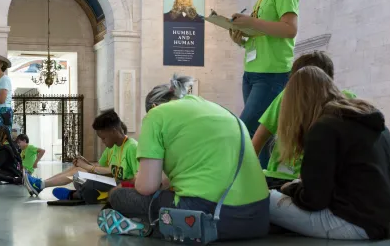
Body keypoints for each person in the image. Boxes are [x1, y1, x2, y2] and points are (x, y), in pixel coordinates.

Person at [100, 75, 269, 240]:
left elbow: (146, 187)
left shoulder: (155, 115)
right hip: (258, 217)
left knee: (117, 195)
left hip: (208, 216)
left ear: (153, 106)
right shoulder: (220, 109)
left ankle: (152, 226)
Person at [270, 67, 390, 240]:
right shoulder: (365, 119)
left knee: (264, 201)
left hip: (358, 224)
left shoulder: (323, 128)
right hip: (389, 222)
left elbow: (313, 201)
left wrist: (290, 189)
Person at [230, 0, 299, 168]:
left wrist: (252, 21)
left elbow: (290, 29)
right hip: (252, 73)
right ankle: (265, 184)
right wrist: (241, 38)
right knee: (261, 135)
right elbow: (264, 34)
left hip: (272, 73)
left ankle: (252, 185)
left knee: (246, 129)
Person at [252, 51, 356, 190]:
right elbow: (258, 140)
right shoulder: (285, 98)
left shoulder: (343, 100)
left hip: (302, 183)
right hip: (284, 178)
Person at [24, 111, 138, 204]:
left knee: (86, 182)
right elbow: (104, 169)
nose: (103, 142)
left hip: (122, 187)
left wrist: (89, 168)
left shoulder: (132, 147)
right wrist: (87, 164)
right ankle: (84, 194)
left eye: (104, 138)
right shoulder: (115, 147)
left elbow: (137, 178)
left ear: (113, 132)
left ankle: (76, 195)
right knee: (78, 177)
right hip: (112, 182)